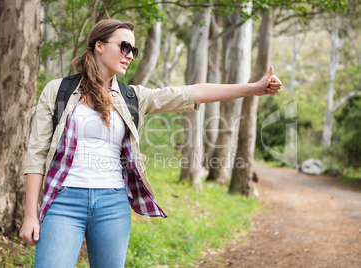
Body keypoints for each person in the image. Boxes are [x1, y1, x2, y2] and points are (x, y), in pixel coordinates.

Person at [19, 19, 281, 268]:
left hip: (112, 205)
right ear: (99, 45)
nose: (130, 55)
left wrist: (253, 88)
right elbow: (37, 154)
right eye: (124, 47)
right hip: (63, 202)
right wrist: (31, 214)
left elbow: (191, 92)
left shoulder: (133, 97)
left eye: (134, 50)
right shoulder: (58, 91)